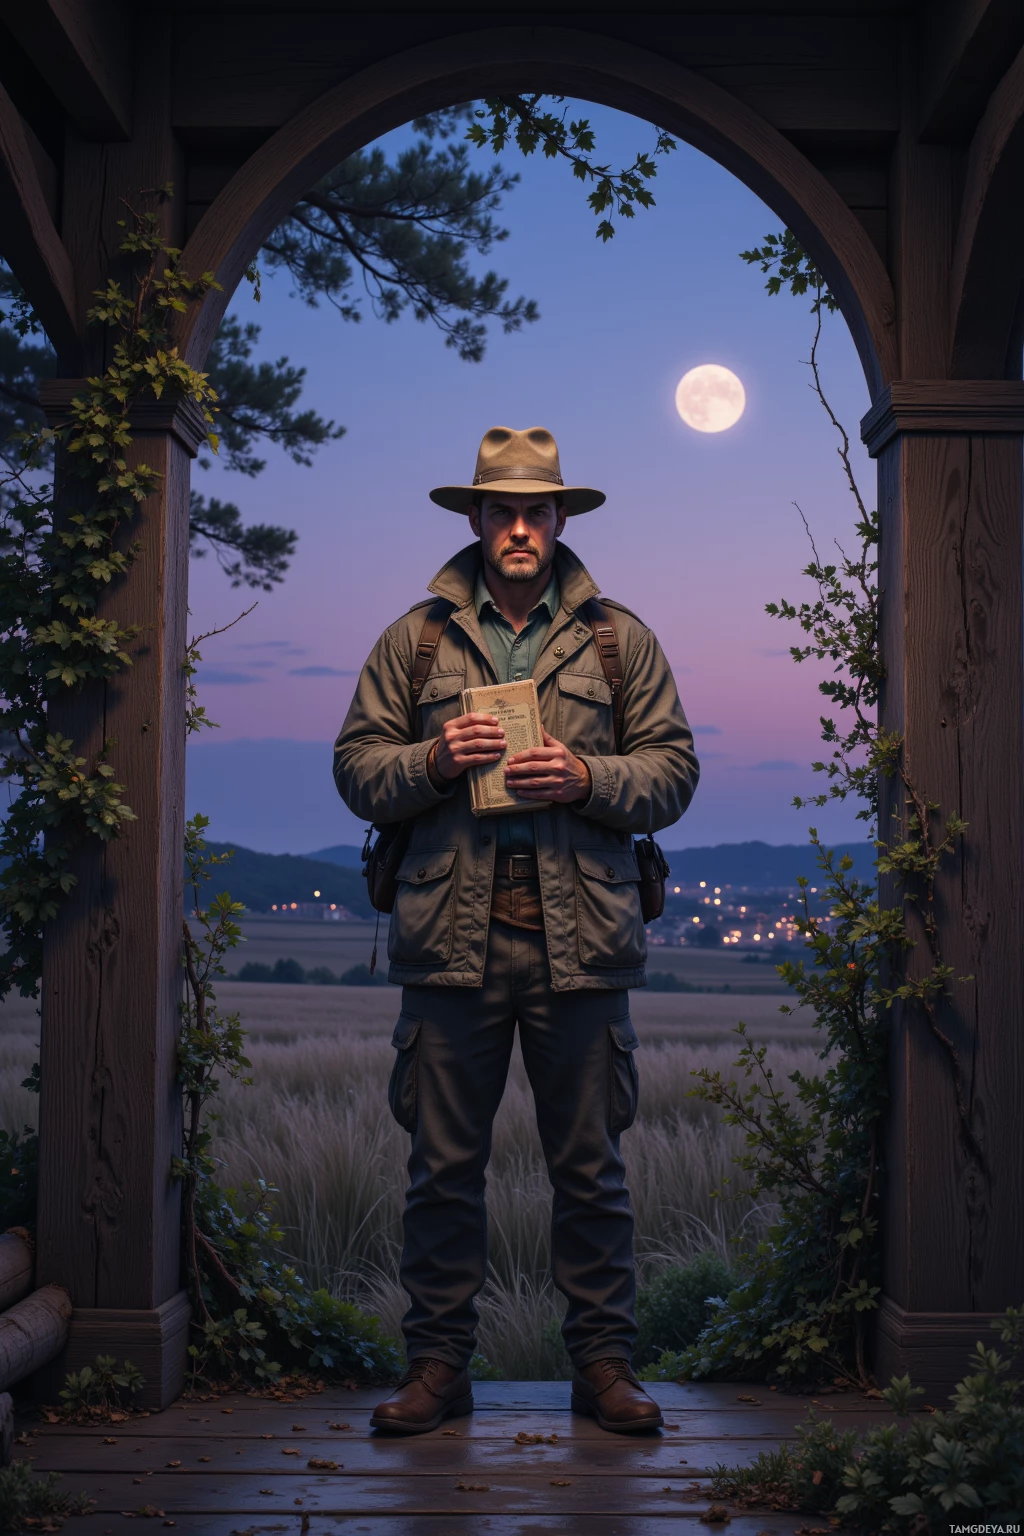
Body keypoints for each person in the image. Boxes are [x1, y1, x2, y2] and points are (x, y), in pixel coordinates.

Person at [334, 425, 699, 1435]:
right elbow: (355, 766)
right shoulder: (413, 640)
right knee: (441, 1171)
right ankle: (438, 1371)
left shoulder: (620, 640)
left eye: (538, 511)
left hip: (581, 946)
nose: (521, 528)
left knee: (590, 1171)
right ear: (474, 519)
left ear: (561, 519)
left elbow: (672, 774)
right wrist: (433, 760)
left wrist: (588, 778)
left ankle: (604, 1370)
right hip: (449, 945)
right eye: (503, 511)